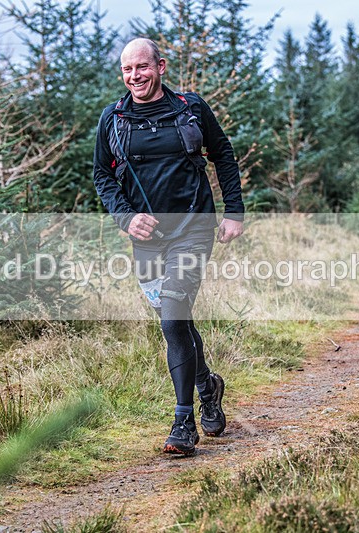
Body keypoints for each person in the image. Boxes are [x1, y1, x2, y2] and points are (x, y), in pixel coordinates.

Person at [93, 38, 245, 455]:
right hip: (147, 238)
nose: (134, 76)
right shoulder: (114, 118)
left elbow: (224, 154)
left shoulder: (190, 108)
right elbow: (102, 177)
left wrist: (234, 210)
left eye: (142, 67)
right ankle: (207, 384)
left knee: (173, 314)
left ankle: (183, 422)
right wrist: (126, 218)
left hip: (194, 226)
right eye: (127, 70)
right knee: (175, 320)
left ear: (160, 66)